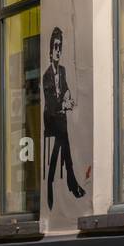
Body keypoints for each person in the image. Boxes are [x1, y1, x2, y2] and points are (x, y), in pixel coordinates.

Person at [42, 26, 84, 211]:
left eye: (60, 47)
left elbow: (65, 89)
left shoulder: (64, 71)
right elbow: (51, 105)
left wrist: (68, 98)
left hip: (60, 121)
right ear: (50, 52)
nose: (58, 51)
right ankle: (70, 181)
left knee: (63, 139)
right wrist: (63, 105)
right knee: (63, 137)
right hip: (51, 120)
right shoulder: (46, 76)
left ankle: (53, 182)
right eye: (56, 47)